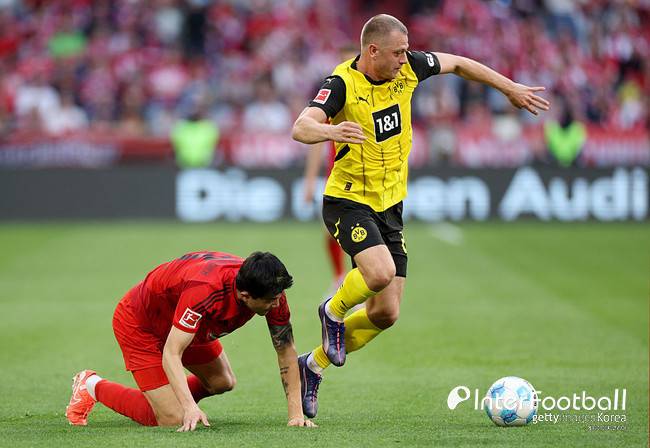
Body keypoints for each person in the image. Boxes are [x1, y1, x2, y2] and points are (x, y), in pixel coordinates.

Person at [291, 14, 550, 418]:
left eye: (406, 51)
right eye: (397, 52)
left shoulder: (410, 68)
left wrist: (509, 88)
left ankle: (312, 365)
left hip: (391, 205)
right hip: (348, 200)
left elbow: (459, 63)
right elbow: (301, 127)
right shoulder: (340, 84)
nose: (404, 58)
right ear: (372, 51)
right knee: (379, 272)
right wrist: (330, 131)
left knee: (385, 313)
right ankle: (333, 310)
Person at [65, 251, 316, 430]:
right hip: (141, 323)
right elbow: (172, 352)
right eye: (271, 300)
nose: (277, 304)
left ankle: (167, 399)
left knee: (222, 381)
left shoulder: (270, 291)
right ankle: (91, 385)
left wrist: (295, 415)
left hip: (187, 325)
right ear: (245, 295)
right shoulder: (205, 291)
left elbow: (286, 351)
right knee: (172, 418)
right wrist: (189, 407)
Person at [302, 44, 358, 295]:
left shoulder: (371, 94)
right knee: (330, 229)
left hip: (365, 173)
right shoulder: (334, 95)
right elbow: (316, 140)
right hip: (336, 173)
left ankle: (359, 282)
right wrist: (309, 180)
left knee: (363, 230)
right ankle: (339, 278)